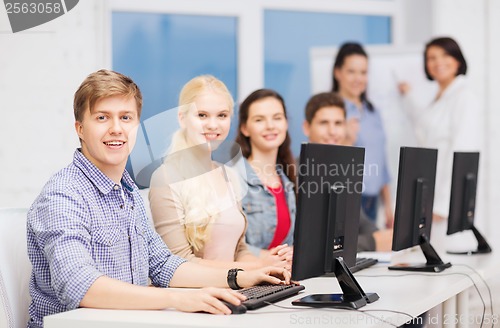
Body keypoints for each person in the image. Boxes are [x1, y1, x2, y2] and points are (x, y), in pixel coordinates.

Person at [26, 69, 291, 328]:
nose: (116, 128)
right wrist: (178, 298)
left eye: (126, 118)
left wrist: (241, 277)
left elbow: (164, 264)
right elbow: (78, 285)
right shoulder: (62, 194)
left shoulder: (126, 191)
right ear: (80, 128)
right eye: (102, 118)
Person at [149, 76, 291, 271]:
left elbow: (239, 252)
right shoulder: (165, 178)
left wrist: (270, 266)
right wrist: (253, 271)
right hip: (196, 297)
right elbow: (179, 263)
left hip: (234, 290)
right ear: (182, 118)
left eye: (222, 116)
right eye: (202, 115)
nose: (213, 125)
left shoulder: (229, 176)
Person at [399, 37, 484, 221]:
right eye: (432, 58)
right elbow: (424, 126)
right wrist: (407, 96)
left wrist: (443, 206)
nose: (438, 62)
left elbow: (463, 153)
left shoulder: (464, 98)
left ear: (458, 60)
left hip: (448, 206)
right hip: (431, 195)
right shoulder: (439, 99)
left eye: (445, 55)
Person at [302, 91, 392, 252]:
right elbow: (315, 245)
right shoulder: (295, 172)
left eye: (338, 123)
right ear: (307, 128)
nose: (332, 131)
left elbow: (364, 225)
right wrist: (373, 242)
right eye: (324, 123)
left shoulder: (341, 173)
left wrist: (381, 237)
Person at [332, 42, 394, 228]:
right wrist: (346, 139)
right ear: (338, 73)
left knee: (371, 254)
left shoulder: (372, 112)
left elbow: (381, 160)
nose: (358, 78)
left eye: (363, 72)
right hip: (347, 198)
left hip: (372, 201)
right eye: (351, 71)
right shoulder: (333, 111)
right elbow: (325, 163)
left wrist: (388, 206)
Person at [235, 89, 296, 263]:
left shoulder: (287, 181)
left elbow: (289, 243)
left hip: (281, 278)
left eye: (277, 118)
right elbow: (230, 247)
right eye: (259, 120)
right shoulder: (233, 179)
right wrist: (271, 259)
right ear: (245, 128)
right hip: (249, 279)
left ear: (286, 123)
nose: (270, 126)